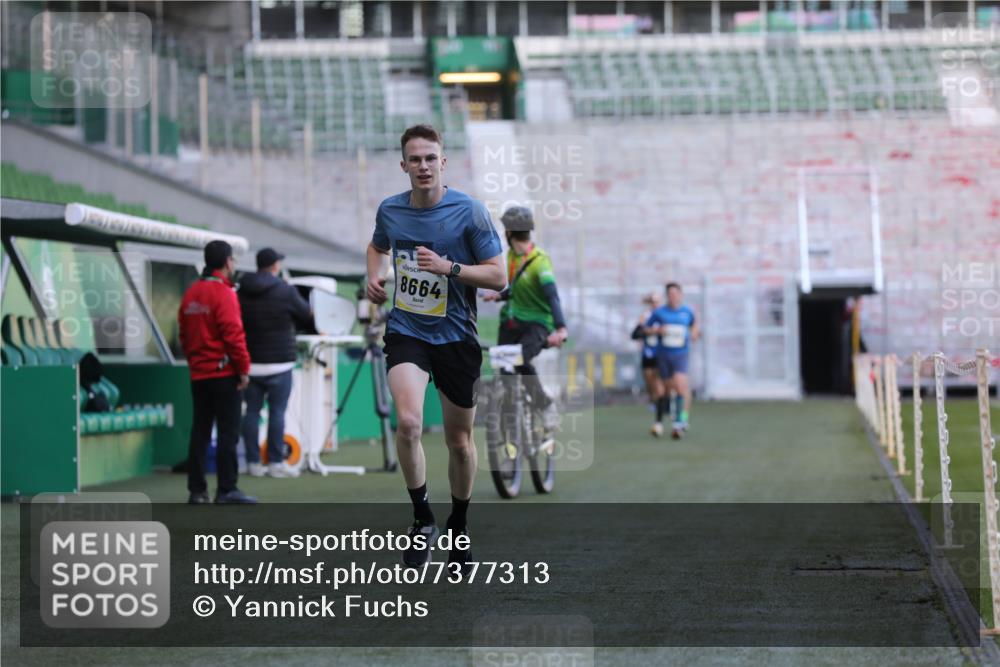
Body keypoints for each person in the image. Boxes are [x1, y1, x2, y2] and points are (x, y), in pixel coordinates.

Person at [365, 124, 505, 569]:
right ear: (403, 165)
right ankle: (422, 518)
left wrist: (449, 267)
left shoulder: (470, 212)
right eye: (415, 159)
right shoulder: (391, 210)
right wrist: (373, 277)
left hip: (457, 338)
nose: (423, 166)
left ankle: (458, 526)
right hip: (407, 330)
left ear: (443, 162)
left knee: (459, 442)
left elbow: (499, 276)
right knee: (407, 423)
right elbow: (376, 247)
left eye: (431, 158)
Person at [178, 240, 256, 504]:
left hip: (199, 374)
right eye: (233, 260)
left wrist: (195, 362)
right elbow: (234, 336)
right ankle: (226, 490)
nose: (233, 264)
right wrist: (243, 369)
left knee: (199, 431)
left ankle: (196, 491)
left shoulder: (191, 293)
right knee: (227, 433)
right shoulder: (224, 293)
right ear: (226, 262)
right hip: (224, 376)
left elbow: (184, 334)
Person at [483, 205, 568, 432]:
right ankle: (511, 427)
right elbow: (519, 288)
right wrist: (499, 296)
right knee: (506, 370)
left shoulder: (540, 261)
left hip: (536, 325)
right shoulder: (510, 256)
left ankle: (545, 405)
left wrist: (560, 328)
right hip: (510, 322)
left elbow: (551, 295)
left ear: (509, 233)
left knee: (518, 360)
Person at [238, 247, 314, 479]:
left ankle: (252, 463)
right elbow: (307, 315)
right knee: (277, 413)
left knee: (251, 412)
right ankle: (275, 464)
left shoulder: (241, 290)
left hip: (250, 363)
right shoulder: (285, 290)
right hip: (280, 363)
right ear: (274, 266)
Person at [646, 282, 699, 439]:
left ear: (680, 295)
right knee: (668, 390)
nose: (673, 296)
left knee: (680, 383)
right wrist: (657, 330)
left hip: (681, 354)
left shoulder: (687, 312)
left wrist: (694, 334)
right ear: (667, 296)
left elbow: (694, 326)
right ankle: (673, 419)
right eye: (670, 294)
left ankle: (679, 423)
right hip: (664, 354)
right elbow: (646, 328)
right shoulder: (660, 312)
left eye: (676, 293)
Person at [631, 291, 664, 424]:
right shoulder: (645, 316)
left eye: (657, 301)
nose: (655, 304)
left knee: (660, 382)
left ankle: (662, 406)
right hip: (648, 352)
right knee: (649, 380)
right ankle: (654, 399)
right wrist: (648, 331)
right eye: (653, 302)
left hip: (663, 353)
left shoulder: (665, 315)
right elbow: (635, 334)